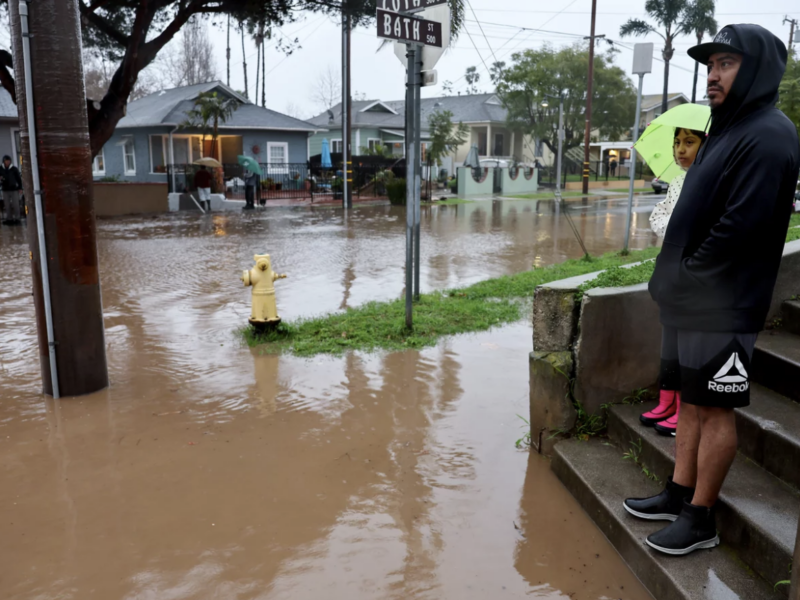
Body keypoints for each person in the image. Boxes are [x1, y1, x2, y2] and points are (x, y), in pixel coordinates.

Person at [624, 25, 800, 557]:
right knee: (692, 406)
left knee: (716, 409)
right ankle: (678, 493)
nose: (712, 75)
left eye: (726, 64)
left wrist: (685, 274)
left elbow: (738, 230)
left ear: (757, 69)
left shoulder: (769, 135)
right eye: (710, 65)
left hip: (724, 303)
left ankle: (701, 519)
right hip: (691, 299)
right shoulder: (723, 129)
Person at [642, 127, 707, 437]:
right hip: (670, 271)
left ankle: (683, 408)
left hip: (690, 276)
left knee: (684, 344)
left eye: (690, 142)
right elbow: (662, 218)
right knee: (669, 340)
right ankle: (667, 399)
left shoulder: (708, 182)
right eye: (677, 143)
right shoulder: (678, 181)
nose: (680, 149)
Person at [0, 155, 23, 225]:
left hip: (14, 189)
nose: (7, 162)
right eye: (6, 161)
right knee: (7, 205)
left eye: (8, 161)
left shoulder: (14, 169)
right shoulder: (0, 169)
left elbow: (19, 179)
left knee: (16, 204)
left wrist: (20, 188)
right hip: (5, 189)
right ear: (3, 161)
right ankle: (9, 219)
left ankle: (17, 218)